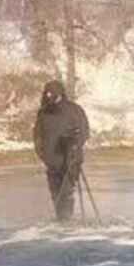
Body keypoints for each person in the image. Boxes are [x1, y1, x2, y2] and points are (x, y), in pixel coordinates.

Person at [32, 80, 89, 221]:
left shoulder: (74, 110)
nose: (48, 96)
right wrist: (43, 155)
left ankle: (66, 220)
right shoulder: (43, 113)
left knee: (66, 192)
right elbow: (37, 136)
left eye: (51, 93)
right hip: (52, 161)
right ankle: (62, 220)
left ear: (59, 93)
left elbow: (84, 132)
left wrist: (75, 143)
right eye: (47, 93)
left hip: (71, 159)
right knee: (55, 194)